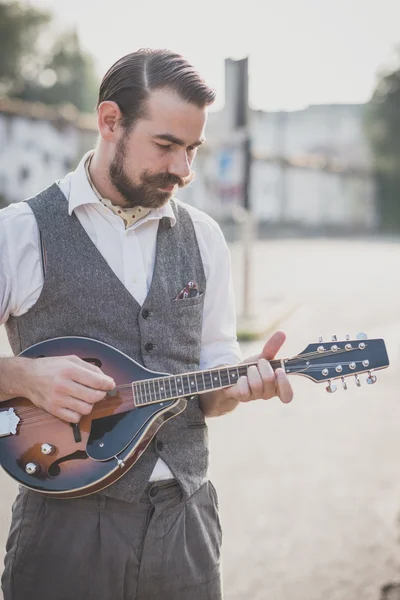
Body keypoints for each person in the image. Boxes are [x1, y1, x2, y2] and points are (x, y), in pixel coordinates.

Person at [0, 48, 293, 600]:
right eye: (166, 145)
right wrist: (23, 378)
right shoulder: (20, 233)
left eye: (193, 149)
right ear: (110, 122)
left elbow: (213, 391)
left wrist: (241, 385)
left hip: (187, 525)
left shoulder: (204, 237)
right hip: (64, 529)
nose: (184, 170)